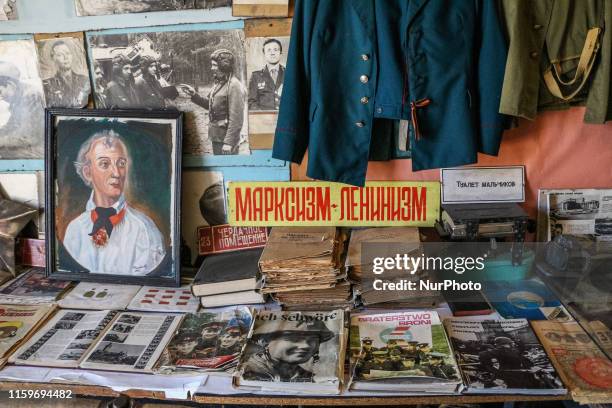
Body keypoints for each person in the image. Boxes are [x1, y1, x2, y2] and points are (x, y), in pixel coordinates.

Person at [63, 130, 166, 275]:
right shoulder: (75, 230)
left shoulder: (144, 230)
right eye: (105, 164)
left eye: (121, 163)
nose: (116, 173)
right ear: (87, 172)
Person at [182, 49, 246, 155]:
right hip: (217, 137)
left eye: (215, 65)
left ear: (224, 66)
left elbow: (237, 119)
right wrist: (194, 95)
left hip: (226, 140)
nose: (212, 68)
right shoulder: (220, 83)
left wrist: (228, 143)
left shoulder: (234, 85)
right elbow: (212, 106)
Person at [241, 319, 335, 382]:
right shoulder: (249, 370)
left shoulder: (308, 376)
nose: (305, 346)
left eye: (312, 341)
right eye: (294, 339)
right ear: (266, 341)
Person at [0, 60, 45, 158]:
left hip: (40, 150)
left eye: (0, 91)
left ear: (11, 84)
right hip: (29, 145)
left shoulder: (30, 95)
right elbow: (11, 126)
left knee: (4, 153)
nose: (1, 97)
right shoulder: (18, 96)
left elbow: (27, 136)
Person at [42, 40, 90, 108]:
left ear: (72, 56)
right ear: (53, 58)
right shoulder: (47, 84)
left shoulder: (84, 80)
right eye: (60, 54)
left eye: (68, 53)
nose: (66, 57)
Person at [248, 38, 285, 111]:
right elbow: (251, 102)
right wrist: (263, 117)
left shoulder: (289, 74)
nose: (272, 53)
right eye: (269, 50)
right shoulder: (256, 76)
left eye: (275, 50)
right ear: (264, 54)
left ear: (280, 53)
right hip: (264, 120)